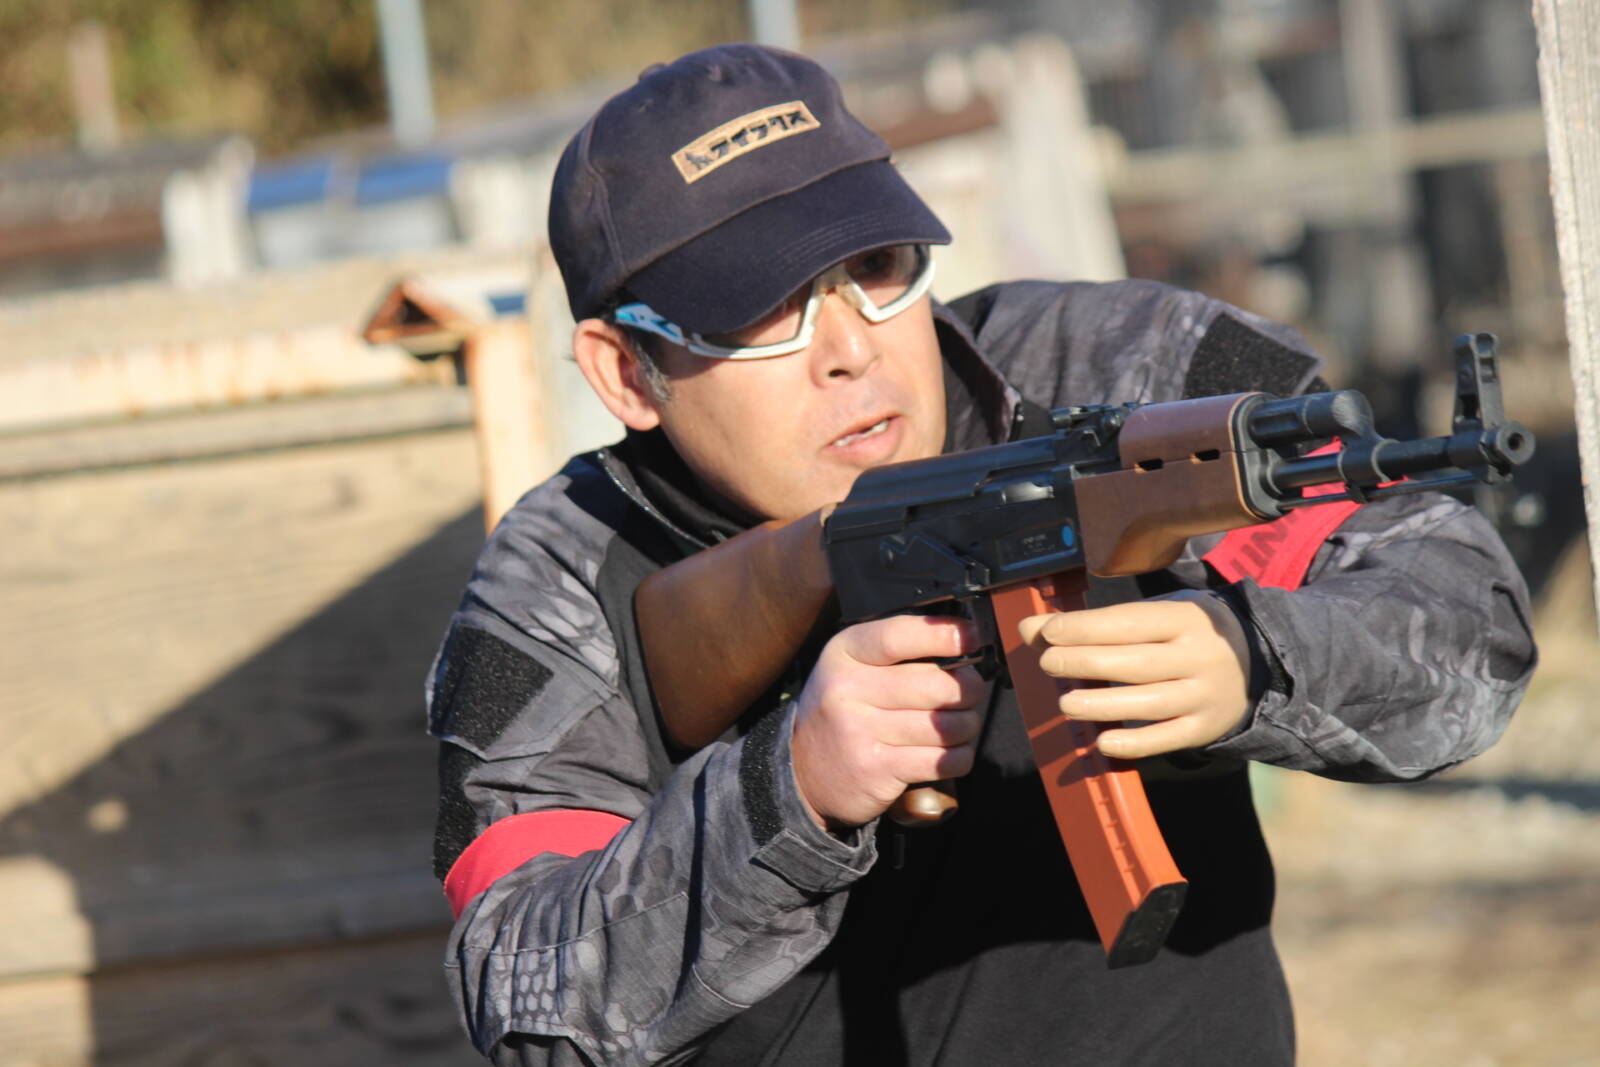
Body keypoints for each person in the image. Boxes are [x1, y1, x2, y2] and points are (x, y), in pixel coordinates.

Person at [426, 43, 1534, 1066]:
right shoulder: (561, 580)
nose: (851, 350)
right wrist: (790, 789)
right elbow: (526, 999)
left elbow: (1472, 624)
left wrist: (1257, 655)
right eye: (765, 309)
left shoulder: (1122, 369)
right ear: (626, 371)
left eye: (877, 265)